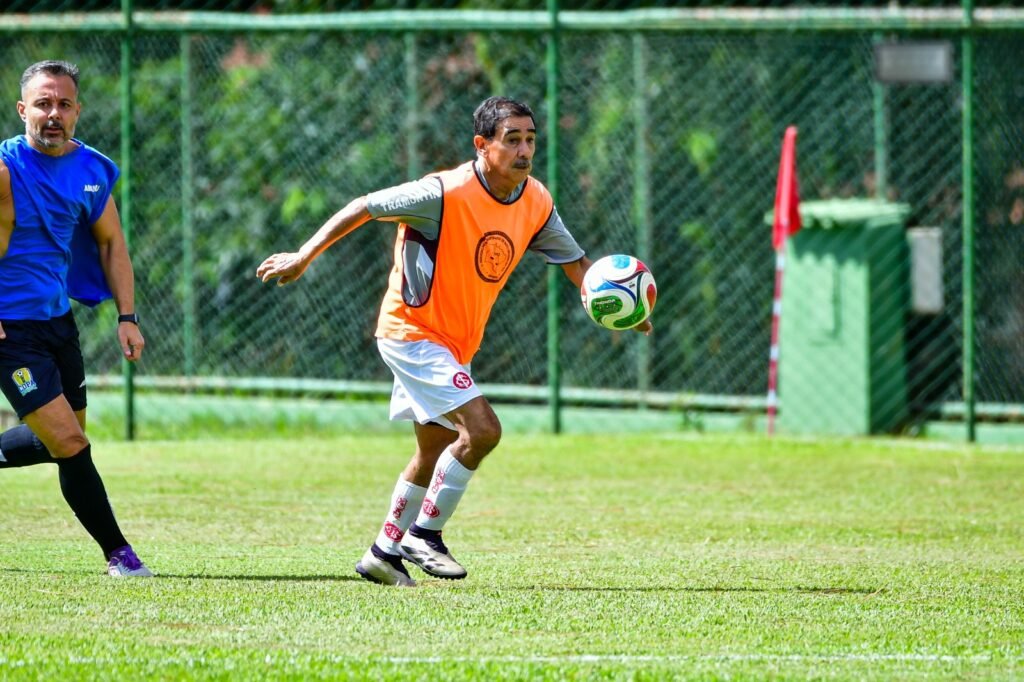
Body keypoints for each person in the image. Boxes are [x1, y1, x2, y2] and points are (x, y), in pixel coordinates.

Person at [257, 96, 651, 587]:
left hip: (454, 342)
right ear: (482, 145)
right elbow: (365, 206)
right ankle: (425, 534)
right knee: (483, 430)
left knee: (435, 446)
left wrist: (620, 309)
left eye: (530, 139)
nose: (525, 150)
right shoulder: (443, 192)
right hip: (412, 333)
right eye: (512, 140)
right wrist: (304, 255)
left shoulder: (536, 201)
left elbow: (576, 266)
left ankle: (382, 552)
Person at [0, 60, 152, 577]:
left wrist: (126, 316)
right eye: (42, 103)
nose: (53, 114)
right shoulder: (4, 168)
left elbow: (112, 244)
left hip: (58, 324)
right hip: (9, 330)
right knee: (72, 444)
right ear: (22, 110)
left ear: (78, 111)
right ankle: (120, 555)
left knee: (54, 441)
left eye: (64, 104)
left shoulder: (92, 169)